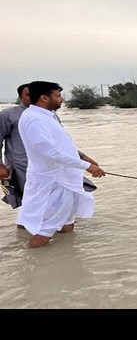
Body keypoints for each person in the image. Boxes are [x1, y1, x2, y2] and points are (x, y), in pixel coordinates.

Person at [16, 81, 106, 248]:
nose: (62, 99)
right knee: (45, 229)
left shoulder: (47, 116)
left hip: (67, 180)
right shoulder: (35, 119)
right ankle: (32, 265)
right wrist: (88, 167)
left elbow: (63, 145)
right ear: (44, 98)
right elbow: (50, 152)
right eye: (57, 96)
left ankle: (66, 261)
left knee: (67, 223)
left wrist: (85, 159)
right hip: (55, 182)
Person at [0, 84, 31, 208]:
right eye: (28, 95)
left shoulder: (48, 115)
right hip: (19, 167)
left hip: (44, 168)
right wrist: (0, 165)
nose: (32, 97)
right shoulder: (8, 115)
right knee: (27, 203)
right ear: (20, 97)